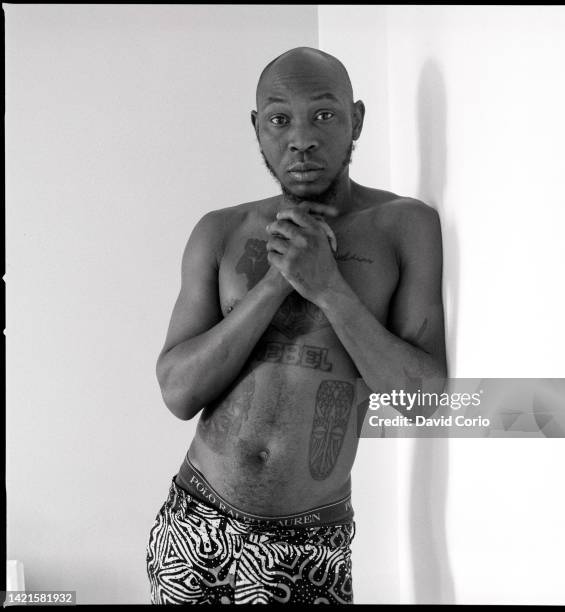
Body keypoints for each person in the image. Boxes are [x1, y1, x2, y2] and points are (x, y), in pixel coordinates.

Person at [146, 46, 447, 605]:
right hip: (192, 522)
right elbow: (178, 392)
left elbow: (424, 403)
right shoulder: (220, 231)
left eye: (324, 115)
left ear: (356, 119)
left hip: (309, 546)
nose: (301, 137)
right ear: (257, 128)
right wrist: (276, 283)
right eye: (279, 118)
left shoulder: (405, 227)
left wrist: (328, 286)